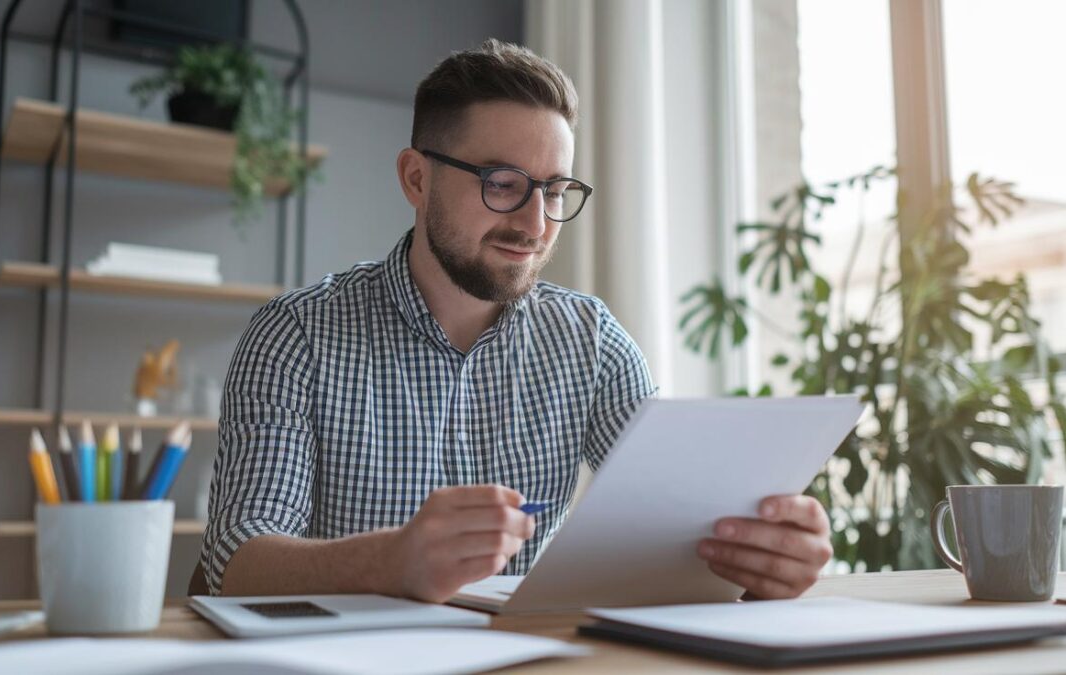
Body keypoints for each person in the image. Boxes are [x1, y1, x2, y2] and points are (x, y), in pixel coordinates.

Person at [200, 39, 833, 602]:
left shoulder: (589, 343)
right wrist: (392, 560)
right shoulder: (295, 336)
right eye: (503, 183)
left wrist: (763, 558)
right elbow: (236, 559)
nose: (535, 225)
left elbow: (679, 521)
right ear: (416, 178)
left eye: (555, 191)